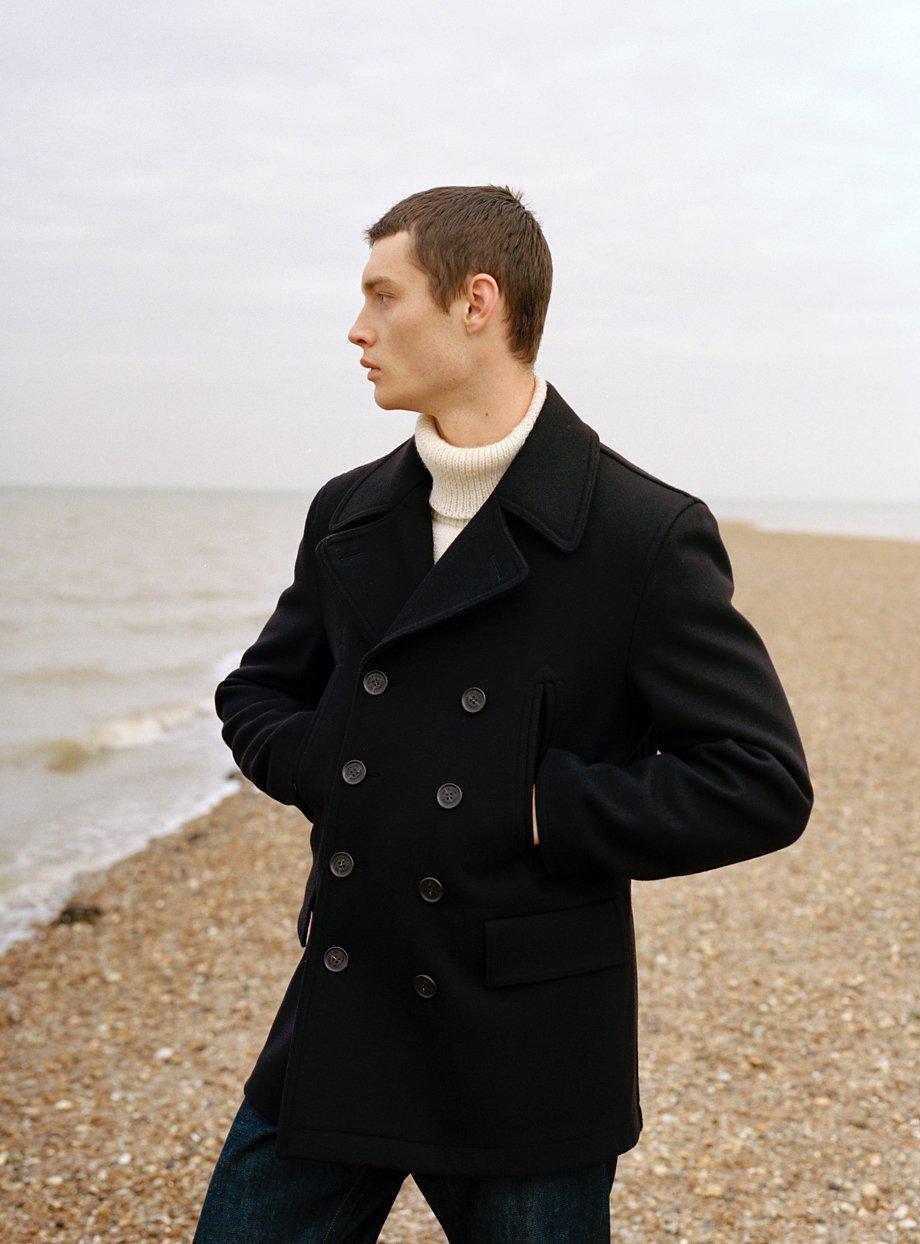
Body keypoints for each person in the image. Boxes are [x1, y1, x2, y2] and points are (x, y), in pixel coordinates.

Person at [194, 184, 813, 1242]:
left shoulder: (639, 530)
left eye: (384, 296)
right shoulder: (349, 510)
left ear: (476, 302)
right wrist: (338, 767)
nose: (357, 329)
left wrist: (533, 807)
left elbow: (759, 780)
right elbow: (257, 692)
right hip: (348, 999)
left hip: (528, 1042)